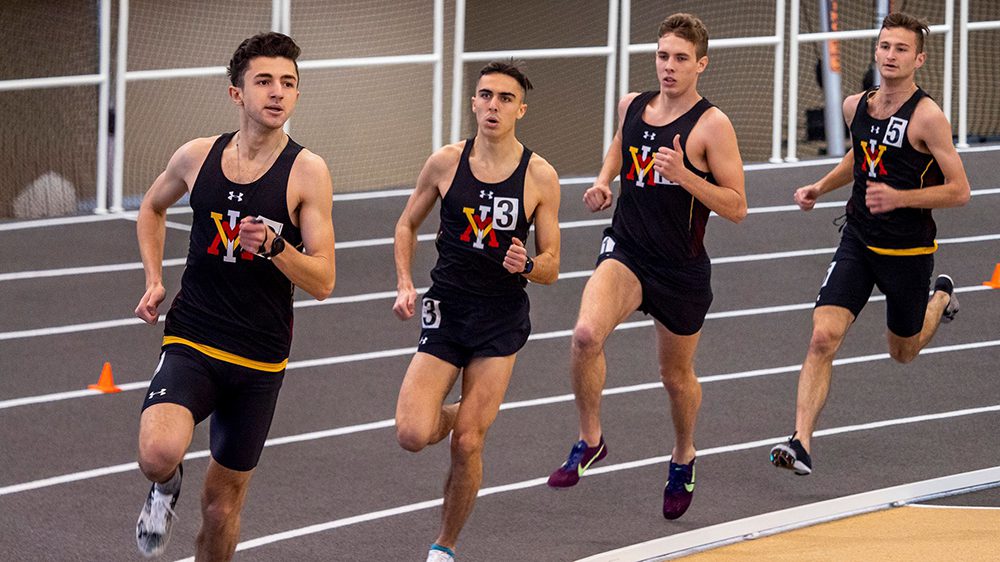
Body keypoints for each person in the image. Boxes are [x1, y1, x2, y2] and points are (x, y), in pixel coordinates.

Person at [132, 32, 335, 559]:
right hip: (193, 335)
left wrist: (275, 248)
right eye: (264, 81)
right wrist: (154, 278)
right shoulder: (198, 156)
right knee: (157, 453)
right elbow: (152, 209)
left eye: (288, 83)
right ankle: (164, 485)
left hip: (259, 358)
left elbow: (323, 280)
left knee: (221, 508)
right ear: (235, 93)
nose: (277, 93)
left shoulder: (307, 171)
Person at [546, 13, 747, 521]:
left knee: (675, 378)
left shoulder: (712, 125)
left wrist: (684, 176)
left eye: (681, 58)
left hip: (680, 268)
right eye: (662, 56)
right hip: (627, 250)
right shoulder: (632, 104)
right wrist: (602, 180)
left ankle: (683, 455)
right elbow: (623, 141)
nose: (669, 67)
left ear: (701, 64)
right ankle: (590, 439)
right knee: (586, 336)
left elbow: (737, 206)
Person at [769, 13, 970, 476]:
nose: (890, 55)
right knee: (823, 336)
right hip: (858, 240)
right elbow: (861, 158)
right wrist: (820, 187)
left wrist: (900, 197)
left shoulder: (927, 117)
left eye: (901, 49)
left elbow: (960, 190)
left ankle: (940, 295)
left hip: (908, 253)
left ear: (918, 58)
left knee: (903, 350)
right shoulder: (855, 106)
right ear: (875, 51)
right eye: (884, 46)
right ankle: (799, 441)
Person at [392, 61, 561, 562]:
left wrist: (527, 263)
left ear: (520, 110)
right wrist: (404, 281)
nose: (493, 105)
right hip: (446, 310)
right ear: (473, 102)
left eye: (505, 98)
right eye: (486, 95)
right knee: (412, 433)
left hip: (499, 319)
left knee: (467, 442)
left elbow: (552, 264)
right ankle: (461, 413)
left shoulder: (539, 175)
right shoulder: (445, 162)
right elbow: (406, 225)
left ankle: (443, 547)